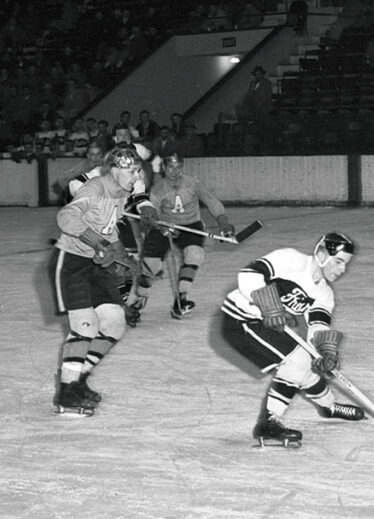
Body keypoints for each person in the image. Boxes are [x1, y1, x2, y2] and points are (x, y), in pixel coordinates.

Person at [220, 232, 365, 446]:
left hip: (267, 324)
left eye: (345, 264)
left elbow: (318, 324)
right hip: (240, 319)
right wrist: (269, 305)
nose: (342, 269)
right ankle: (268, 422)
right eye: (339, 261)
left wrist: (325, 351)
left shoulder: (324, 294)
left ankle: (328, 406)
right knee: (296, 362)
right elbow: (248, 275)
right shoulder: (291, 259)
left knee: (306, 362)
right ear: (323, 254)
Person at [50, 146, 145, 415]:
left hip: (95, 265)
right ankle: (67, 394)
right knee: (86, 325)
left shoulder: (120, 192)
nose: (137, 176)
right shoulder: (94, 188)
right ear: (115, 171)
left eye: (138, 170)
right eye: (132, 171)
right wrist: (99, 242)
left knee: (114, 323)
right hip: (70, 263)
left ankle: (76, 378)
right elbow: (66, 216)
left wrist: (124, 257)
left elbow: (110, 229)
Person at [133, 153, 235, 322]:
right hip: (164, 226)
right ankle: (141, 296)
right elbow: (151, 217)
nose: (175, 171)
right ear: (164, 168)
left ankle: (181, 298)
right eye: (171, 167)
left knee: (195, 255)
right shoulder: (158, 189)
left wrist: (223, 221)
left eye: (179, 167)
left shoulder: (192, 183)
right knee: (151, 266)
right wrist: (161, 226)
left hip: (190, 225)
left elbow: (211, 201)